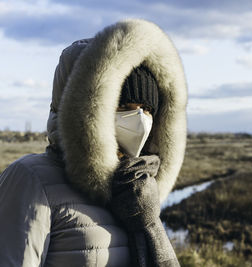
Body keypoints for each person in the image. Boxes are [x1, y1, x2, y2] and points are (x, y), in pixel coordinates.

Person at [0, 19, 187, 267]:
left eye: (147, 109)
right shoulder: (30, 179)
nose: (140, 120)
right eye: (123, 107)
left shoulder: (137, 191)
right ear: (87, 110)